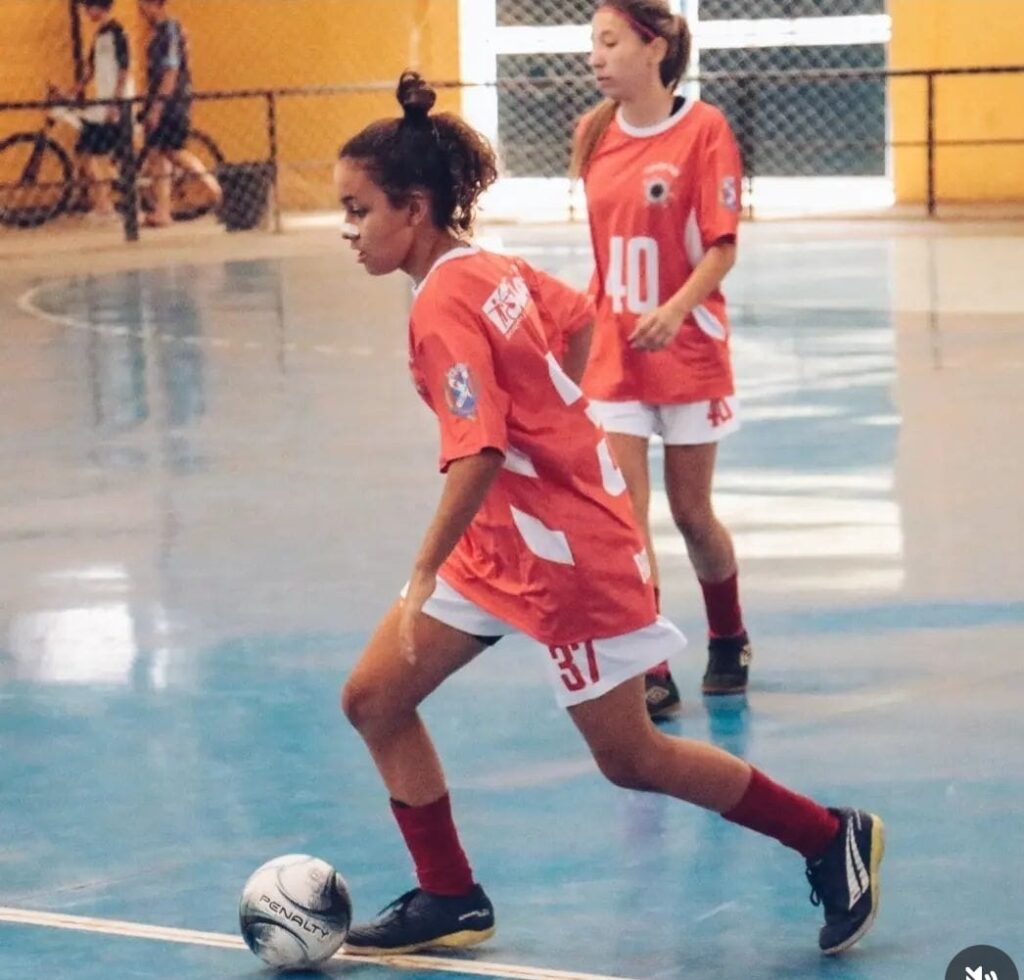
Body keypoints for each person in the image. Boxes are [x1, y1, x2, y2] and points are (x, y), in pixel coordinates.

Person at [335, 69, 885, 960]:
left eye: (360, 210)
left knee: (632, 758)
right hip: (506, 541)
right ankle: (450, 895)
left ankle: (830, 836)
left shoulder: (443, 302)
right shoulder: (488, 266)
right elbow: (579, 318)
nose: (348, 231)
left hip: (563, 557)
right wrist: (566, 429)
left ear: (416, 206)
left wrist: (425, 566)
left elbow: (476, 448)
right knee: (373, 698)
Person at [572, 0, 753, 718]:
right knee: (624, 519)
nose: (596, 57)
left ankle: (729, 634)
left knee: (690, 512)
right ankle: (651, 662)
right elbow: (602, 255)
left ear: (654, 47)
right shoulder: (590, 133)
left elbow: (722, 245)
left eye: (610, 42)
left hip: (689, 353)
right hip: (615, 357)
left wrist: (675, 310)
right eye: (593, 43)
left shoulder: (704, 130)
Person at [137, 0, 220, 226]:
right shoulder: (158, 33)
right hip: (162, 101)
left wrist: (157, 106)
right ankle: (163, 212)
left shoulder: (170, 30)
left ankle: (216, 191)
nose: (139, 10)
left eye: (142, 5)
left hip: (171, 103)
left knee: (174, 152)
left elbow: (171, 72)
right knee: (157, 154)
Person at [65, 0, 134, 221]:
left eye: (89, 7)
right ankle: (105, 202)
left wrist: (116, 102)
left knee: (96, 154)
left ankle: (107, 205)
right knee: (86, 152)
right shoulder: (99, 36)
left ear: (100, 7)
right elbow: (90, 71)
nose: (86, 12)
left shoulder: (118, 33)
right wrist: (72, 93)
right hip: (103, 103)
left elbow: (124, 69)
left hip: (115, 104)